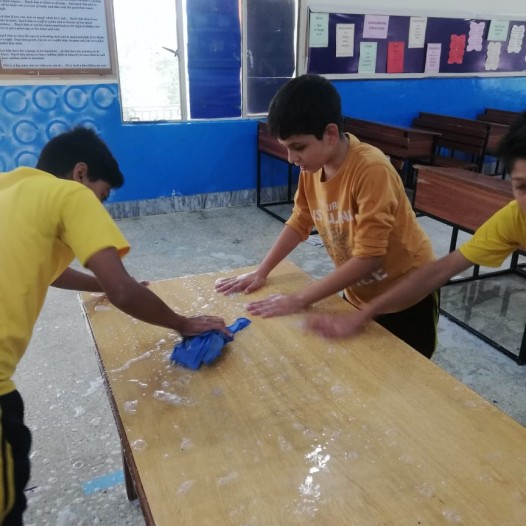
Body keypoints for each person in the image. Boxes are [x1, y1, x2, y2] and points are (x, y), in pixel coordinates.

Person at [0, 127, 228, 525]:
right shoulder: (70, 194)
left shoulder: (10, 187)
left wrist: (100, 285)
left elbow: (48, 269)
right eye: (102, 195)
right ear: (81, 173)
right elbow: (123, 291)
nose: (100, 205)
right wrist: (182, 322)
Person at [215, 74, 439, 356]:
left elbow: (369, 258)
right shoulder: (312, 168)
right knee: (360, 367)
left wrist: (299, 299)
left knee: (406, 372)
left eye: (298, 147)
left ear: (330, 134)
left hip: (408, 296)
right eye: (286, 148)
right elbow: (300, 221)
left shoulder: (371, 170)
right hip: (359, 293)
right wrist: (262, 271)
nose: (291, 158)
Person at [305, 110, 526, 341]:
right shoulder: (513, 220)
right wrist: (362, 316)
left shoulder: (371, 167)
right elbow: (439, 271)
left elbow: (370, 258)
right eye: (522, 186)